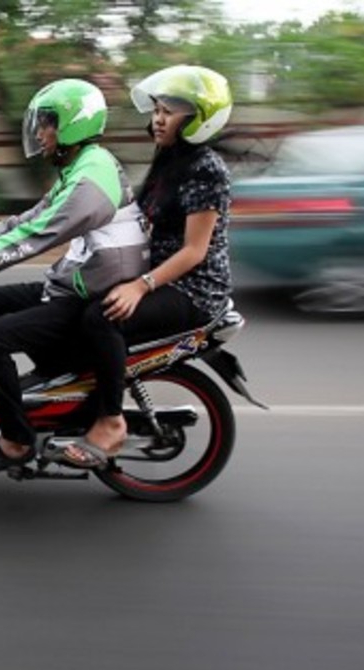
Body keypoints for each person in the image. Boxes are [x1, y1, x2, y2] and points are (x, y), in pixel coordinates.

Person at [0, 78, 148, 474]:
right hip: (76, 283)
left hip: (91, 295)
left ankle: (18, 440)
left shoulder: (90, 181)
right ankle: (37, 393)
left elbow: (34, 236)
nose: (40, 133)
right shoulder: (82, 166)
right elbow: (28, 219)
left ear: (73, 124)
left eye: (48, 123)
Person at [59, 64, 235, 468]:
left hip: (194, 289)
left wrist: (140, 286)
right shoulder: (170, 158)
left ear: (199, 120)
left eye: (168, 112)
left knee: (101, 318)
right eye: (155, 110)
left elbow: (194, 251)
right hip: (162, 274)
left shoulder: (205, 168)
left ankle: (110, 422)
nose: (157, 119)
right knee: (72, 302)